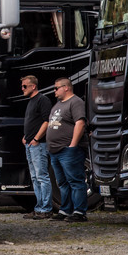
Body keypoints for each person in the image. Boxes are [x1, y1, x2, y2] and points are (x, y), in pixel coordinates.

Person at [46, 77, 89, 222]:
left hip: (68, 150)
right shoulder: (58, 104)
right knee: (62, 183)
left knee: (75, 181)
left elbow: (80, 123)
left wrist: (73, 145)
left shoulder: (75, 102)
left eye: (56, 88)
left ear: (66, 88)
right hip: (55, 151)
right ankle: (65, 210)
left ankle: (79, 212)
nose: (54, 91)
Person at [20, 75, 53, 220]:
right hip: (30, 144)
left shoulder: (42, 100)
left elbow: (47, 121)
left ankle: (46, 208)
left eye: (25, 86)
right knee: (34, 177)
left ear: (33, 86)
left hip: (38, 145)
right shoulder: (31, 102)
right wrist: (26, 137)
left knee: (41, 176)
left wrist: (36, 138)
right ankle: (39, 207)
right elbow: (32, 121)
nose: (22, 89)